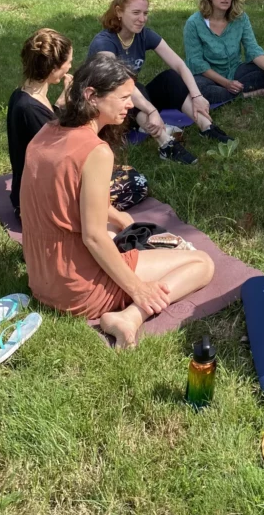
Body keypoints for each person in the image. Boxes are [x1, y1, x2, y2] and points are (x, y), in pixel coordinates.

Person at [20, 54, 214, 348]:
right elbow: (93, 237)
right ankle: (129, 318)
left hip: (42, 277)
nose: (131, 105)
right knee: (202, 263)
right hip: (77, 290)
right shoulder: (95, 151)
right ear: (91, 96)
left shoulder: (46, 132)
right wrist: (139, 290)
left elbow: (64, 201)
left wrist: (121, 218)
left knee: (117, 229)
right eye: (124, 97)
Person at [7, 28, 146, 224]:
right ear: (54, 68)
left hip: (29, 192)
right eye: (69, 62)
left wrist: (62, 101)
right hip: (38, 203)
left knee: (124, 171)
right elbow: (61, 155)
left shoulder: (21, 95)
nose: (70, 66)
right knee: (137, 182)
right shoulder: (29, 109)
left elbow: (49, 126)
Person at [88, 0, 232, 166]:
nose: (142, 19)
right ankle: (166, 144)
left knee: (170, 78)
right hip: (107, 109)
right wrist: (152, 111)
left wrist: (197, 96)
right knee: (132, 86)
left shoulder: (143, 35)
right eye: (136, 13)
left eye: (145, 13)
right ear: (119, 12)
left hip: (132, 103)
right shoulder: (104, 43)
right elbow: (120, 84)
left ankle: (206, 126)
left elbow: (179, 64)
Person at [183, 0, 264, 106]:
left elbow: (252, 48)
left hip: (235, 71)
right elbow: (197, 63)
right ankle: (246, 94)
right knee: (197, 88)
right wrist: (226, 83)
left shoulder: (240, 18)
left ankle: (231, 94)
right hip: (208, 76)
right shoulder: (193, 23)